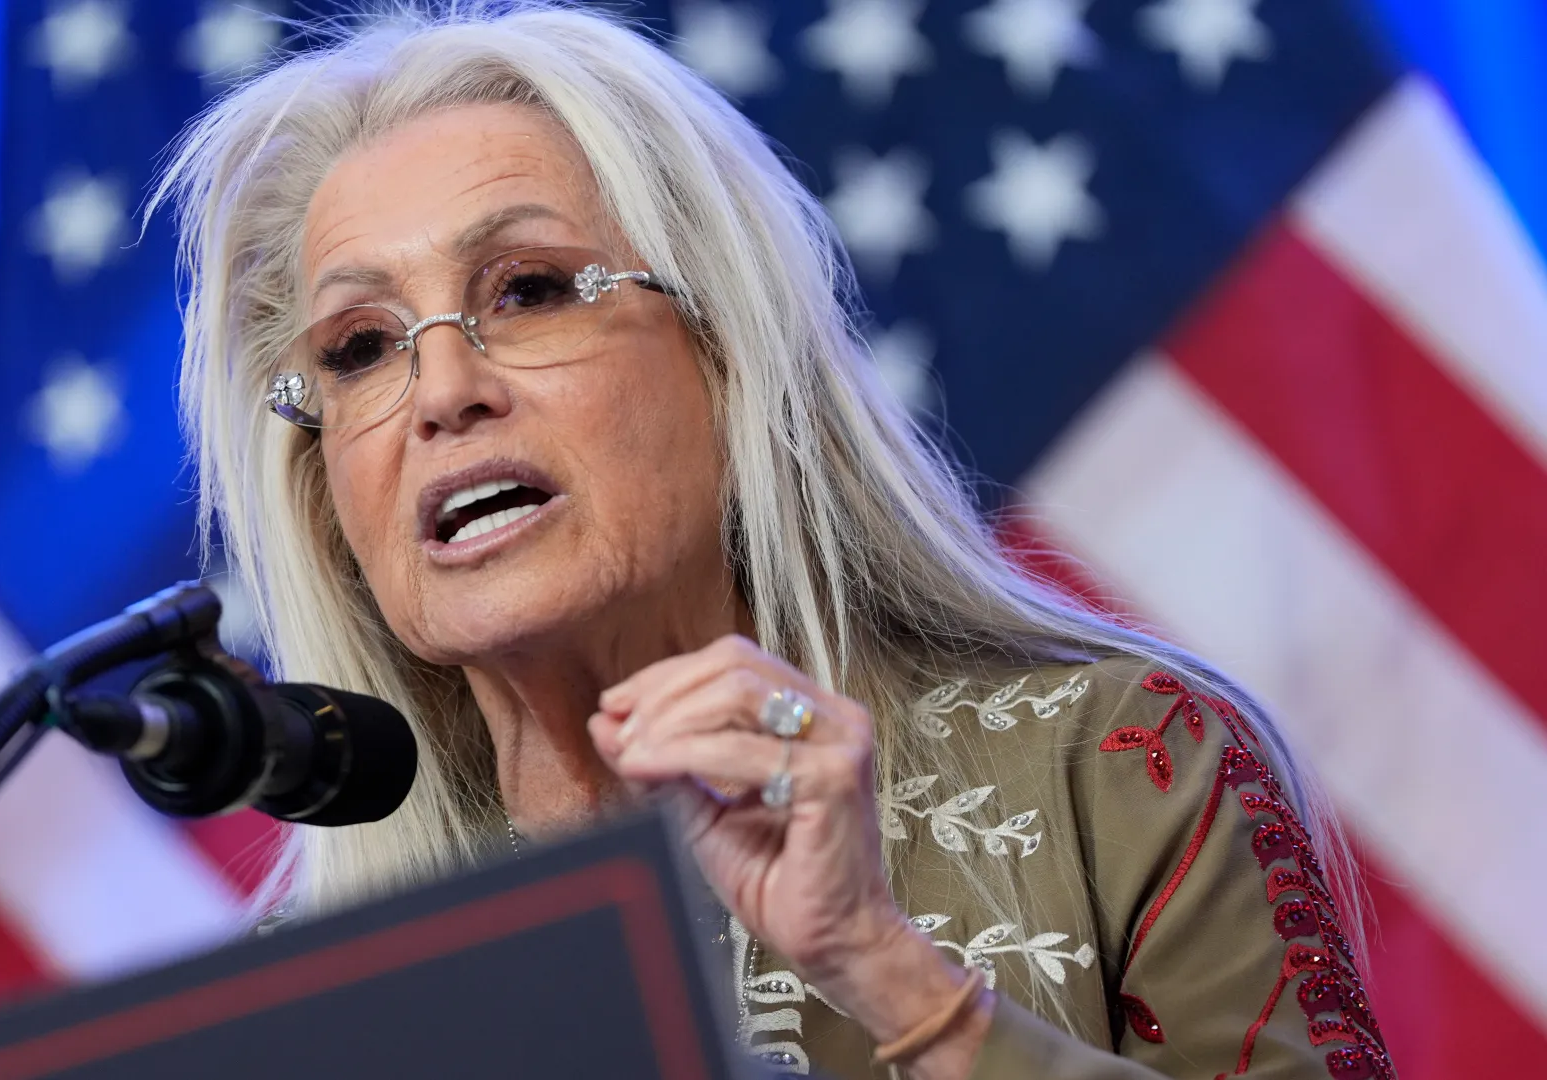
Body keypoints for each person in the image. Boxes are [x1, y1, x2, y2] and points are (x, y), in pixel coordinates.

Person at [155, 4, 1393, 1077]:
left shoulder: (1113, 765)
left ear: (727, 354)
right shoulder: (315, 997)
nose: (441, 392)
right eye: (360, 349)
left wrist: (887, 972)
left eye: (527, 290)